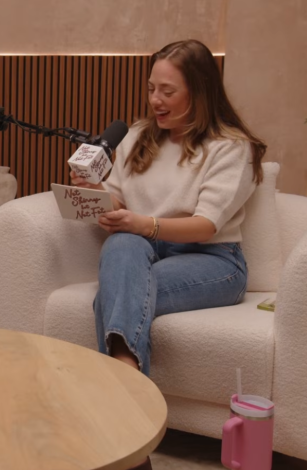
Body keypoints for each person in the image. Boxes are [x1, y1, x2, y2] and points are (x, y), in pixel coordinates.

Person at [71, 39, 266, 470]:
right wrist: (96, 197)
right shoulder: (140, 137)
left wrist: (147, 224)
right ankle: (128, 417)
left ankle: (116, 406)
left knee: (119, 289)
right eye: (151, 88)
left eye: (168, 92)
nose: (155, 100)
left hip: (213, 261)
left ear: (199, 92)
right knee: (122, 248)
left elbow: (207, 224)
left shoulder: (231, 147)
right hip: (140, 250)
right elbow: (119, 203)